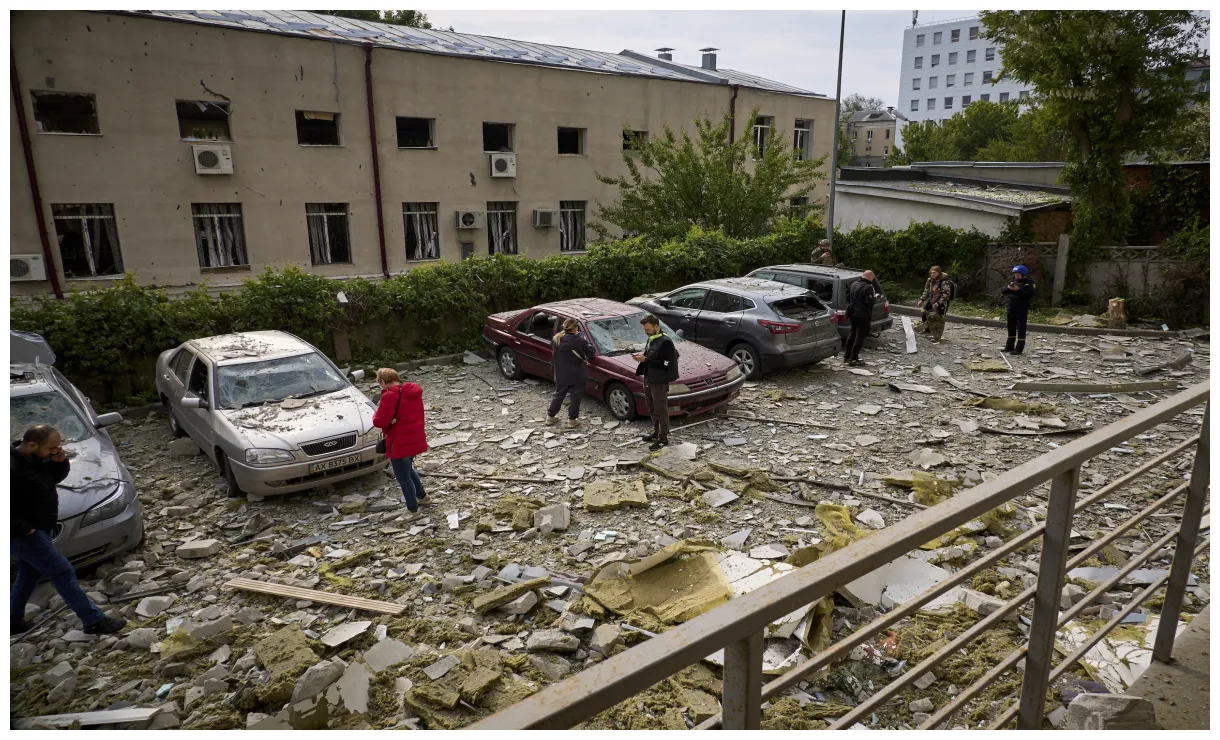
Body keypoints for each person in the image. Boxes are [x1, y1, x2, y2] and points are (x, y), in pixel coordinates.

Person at [11, 425, 126, 636]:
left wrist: (60, 461)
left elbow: (52, 478)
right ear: (32, 445)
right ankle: (93, 620)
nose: (56, 450)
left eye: (58, 447)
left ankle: (11, 619)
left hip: (41, 528)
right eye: (52, 448)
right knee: (62, 571)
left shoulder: (36, 460)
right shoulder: (11, 468)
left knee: (28, 574)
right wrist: (24, 529)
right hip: (24, 535)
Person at [372, 368, 429, 516]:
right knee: (408, 469)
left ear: (383, 382)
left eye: (379, 383)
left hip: (399, 441)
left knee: (403, 477)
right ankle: (423, 497)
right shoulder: (412, 391)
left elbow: (379, 421)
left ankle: (412, 510)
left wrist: (376, 413)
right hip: (414, 438)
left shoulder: (389, 396)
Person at [632, 314, 678, 451]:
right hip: (649, 378)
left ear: (656, 326)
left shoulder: (665, 342)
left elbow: (666, 363)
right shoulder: (652, 339)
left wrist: (645, 360)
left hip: (659, 381)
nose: (646, 332)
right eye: (644, 330)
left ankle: (663, 438)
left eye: (648, 329)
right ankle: (655, 433)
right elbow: (652, 356)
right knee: (651, 407)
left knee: (660, 409)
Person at [547, 318, 596, 428]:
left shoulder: (556, 338)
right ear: (575, 328)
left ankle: (550, 417)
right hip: (577, 374)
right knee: (575, 397)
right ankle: (572, 420)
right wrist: (583, 340)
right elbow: (592, 353)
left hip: (560, 373)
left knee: (558, 395)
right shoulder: (579, 340)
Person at [843, 270, 878, 366]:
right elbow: (869, 302)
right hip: (863, 315)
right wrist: (875, 298)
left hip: (852, 312)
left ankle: (846, 356)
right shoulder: (868, 287)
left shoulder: (853, 284)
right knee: (860, 336)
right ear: (870, 277)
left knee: (852, 333)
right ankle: (854, 358)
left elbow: (847, 297)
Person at [1001, 265, 1036, 355]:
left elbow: (1029, 294)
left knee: (1021, 328)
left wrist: (1018, 290)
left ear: (1024, 275)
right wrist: (1009, 288)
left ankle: (1019, 349)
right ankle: (1009, 347)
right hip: (1012, 306)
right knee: (1011, 326)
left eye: (1018, 275)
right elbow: (1004, 292)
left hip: (1022, 307)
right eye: (1015, 275)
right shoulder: (1014, 282)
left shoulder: (1030, 282)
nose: (1017, 277)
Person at [917, 265, 952, 342]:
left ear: (939, 273)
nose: (932, 274)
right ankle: (927, 330)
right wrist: (922, 300)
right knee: (924, 313)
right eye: (931, 273)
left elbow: (945, 294)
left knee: (937, 319)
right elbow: (926, 291)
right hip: (932, 299)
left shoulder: (944, 281)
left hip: (942, 302)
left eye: (934, 273)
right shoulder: (929, 280)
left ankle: (937, 336)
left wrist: (938, 303)